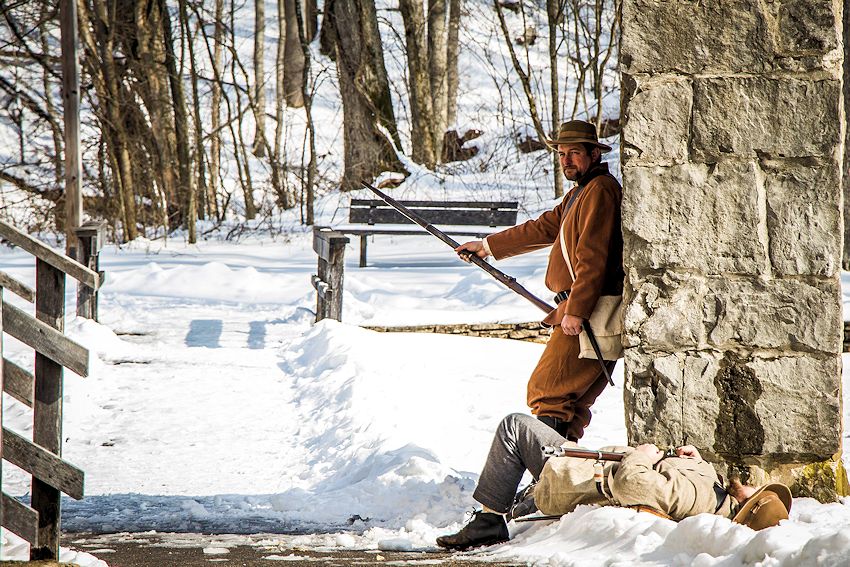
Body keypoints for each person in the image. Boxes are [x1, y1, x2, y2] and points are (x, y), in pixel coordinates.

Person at [456, 120, 624, 442]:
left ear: (593, 153)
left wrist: (577, 310)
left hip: (590, 312)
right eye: (561, 154)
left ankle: (547, 476)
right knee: (570, 403)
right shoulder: (581, 193)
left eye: (574, 153)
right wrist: (488, 246)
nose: (566, 161)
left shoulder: (600, 191)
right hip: (580, 309)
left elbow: (594, 258)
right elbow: (541, 228)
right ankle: (555, 482)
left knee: (548, 392)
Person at [435, 413, 792, 550]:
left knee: (515, 426)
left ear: (747, 505)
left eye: (754, 490)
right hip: (587, 465)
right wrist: (691, 458)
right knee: (524, 479)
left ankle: (487, 522)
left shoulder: (697, 496)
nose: (750, 482)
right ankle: (501, 510)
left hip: (579, 476)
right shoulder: (713, 488)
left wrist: (647, 455)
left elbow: (632, 486)